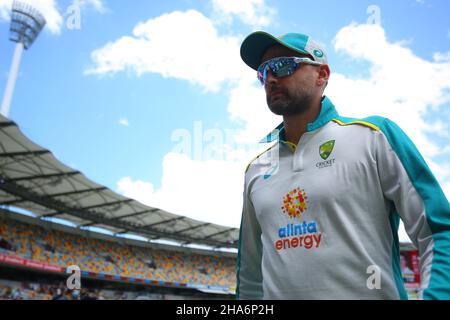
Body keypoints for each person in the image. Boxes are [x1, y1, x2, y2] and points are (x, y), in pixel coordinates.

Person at [236, 31, 450, 300]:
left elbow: (440, 232)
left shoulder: (374, 136)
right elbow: (251, 277)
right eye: (263, 71)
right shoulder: (256, 169)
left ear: (322, 75)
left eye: (283, 65)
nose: (270, 78)